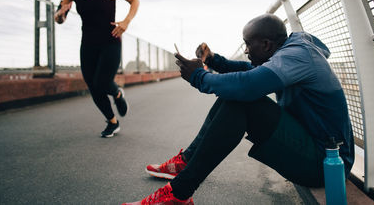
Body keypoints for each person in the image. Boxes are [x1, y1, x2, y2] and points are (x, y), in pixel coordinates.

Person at [123, 14, 354, 204]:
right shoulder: (291, 51)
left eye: (247, 44)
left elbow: (249, 84)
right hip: (315, 150)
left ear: (266, 45)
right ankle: (184, 170)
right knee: (237, 96)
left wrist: (198, 76)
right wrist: (213, 60)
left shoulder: (298, 56)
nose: (245, 50)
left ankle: (178, 193)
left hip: (325, 164)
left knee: (242, 98)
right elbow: (249, 69)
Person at [54, 0, 139, 138]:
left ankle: (117, 93)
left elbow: (134, 0)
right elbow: (60, 18)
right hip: (88, 44)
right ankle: (112, 121)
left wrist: (126, 22)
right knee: (92, 85)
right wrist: (59, 15)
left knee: (102, 82)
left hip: (111, 41)